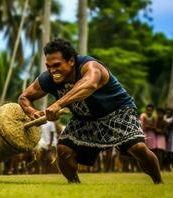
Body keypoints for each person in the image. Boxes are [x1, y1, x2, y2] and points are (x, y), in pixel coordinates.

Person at [18, 38, 163, 184]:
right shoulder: (47, 79)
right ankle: (74, 185)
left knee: (137, 147)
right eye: (48, 66)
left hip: (118, 111)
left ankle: (158, 182)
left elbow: (89, 85)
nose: (52, 70)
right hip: (84, 118)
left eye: (57, 65)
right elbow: (24, 97)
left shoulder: (90, 66)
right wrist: (32, 112)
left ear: (71, 61)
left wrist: (58, 104)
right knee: (63, 150)